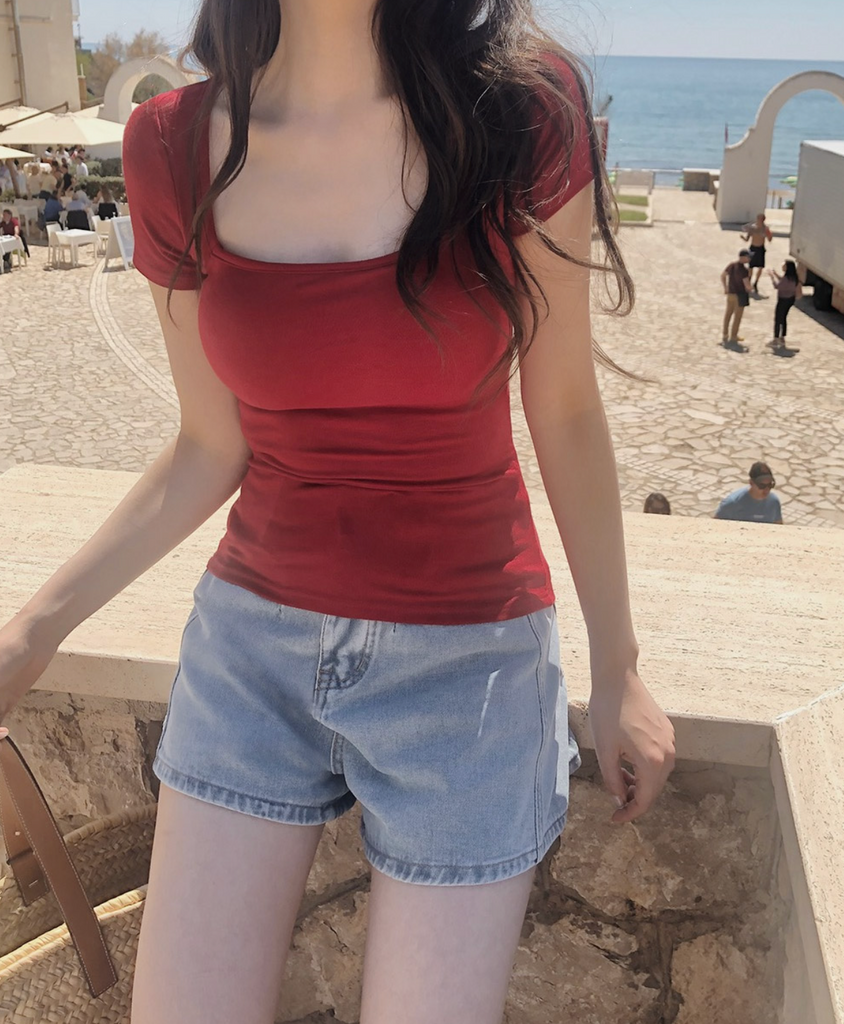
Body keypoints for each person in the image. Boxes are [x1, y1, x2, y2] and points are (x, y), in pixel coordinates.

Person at [0, 4, 675, 1023]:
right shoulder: (170, 147)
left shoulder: (524, 113)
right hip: (250, 659)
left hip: (470, 665)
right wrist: (32, 631)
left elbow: (567, 408)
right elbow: (210, 443)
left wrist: (617, 664)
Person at [714, 462, 783, 524]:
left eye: (770, 485)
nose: (766, 490)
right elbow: (715, 526)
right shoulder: (732, 504)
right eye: (762, 486)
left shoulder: (774, 502)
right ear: (751, 483)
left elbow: (779, 526)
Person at [768, 260, 802, 349]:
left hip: (783, 300)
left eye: (784, 265)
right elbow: (783, 282)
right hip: (790, 300)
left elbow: (777, 286)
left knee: (778, 319)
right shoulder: (793, 277)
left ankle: (775, 339)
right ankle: (782, 337)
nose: (782, 266)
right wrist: (775, 274)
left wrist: (772, 277)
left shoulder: (786, 278)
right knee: (783, 318)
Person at [720, 248, 752, 346]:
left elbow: (723, 275)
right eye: (748, 257)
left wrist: (725, 287)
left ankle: (725, 334)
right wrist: (750, 288)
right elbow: (747, 285)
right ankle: (733, 335)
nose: (750, 259)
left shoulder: (732, 265)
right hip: (740, 295)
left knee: (728, 315)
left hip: (731, 293)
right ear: (743, 257)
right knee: (737, 317)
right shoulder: (744, 270)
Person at [741, 213, 773, 293]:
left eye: (760, 219)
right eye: (758, 219)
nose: (759, 220)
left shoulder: (765, 229)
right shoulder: (752, 228)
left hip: (760, 248)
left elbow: (769, 239)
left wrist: (769, 235)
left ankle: (756, 282)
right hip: (753, 248)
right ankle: (749, 281)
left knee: (760, 267)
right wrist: (743, 238)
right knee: (750, 266)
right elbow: (747, 239)